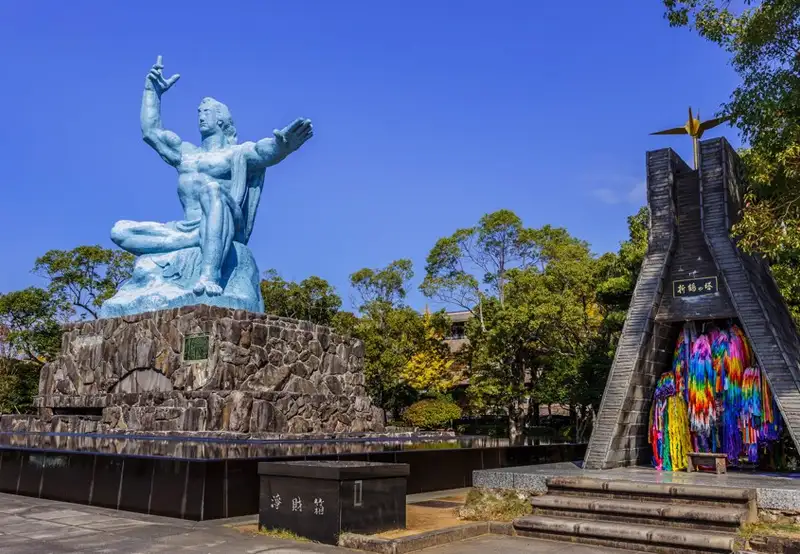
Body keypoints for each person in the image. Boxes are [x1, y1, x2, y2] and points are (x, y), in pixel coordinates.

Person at [111, 56, 313, 296]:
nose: (200, 115)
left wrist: (285, 146)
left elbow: (263, 150)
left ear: (221, 118)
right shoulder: (186, 154)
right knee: (120, 231)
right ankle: (198, 240)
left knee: (211, 189)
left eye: (206, 111)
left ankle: (209, 274)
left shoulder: (236, 153)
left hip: (227, 222)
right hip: (187, 229)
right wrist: (151, 92)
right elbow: (151, 132)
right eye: (199, 112)